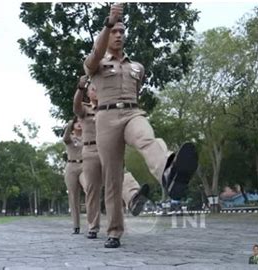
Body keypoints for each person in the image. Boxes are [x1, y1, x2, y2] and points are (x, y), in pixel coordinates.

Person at [83, 3, 198, 248]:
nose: (118, 35)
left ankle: (169, 171)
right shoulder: (96, 64)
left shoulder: (137, 67)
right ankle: (114, 231)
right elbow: (94, 55)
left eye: (122, 31)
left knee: (147, 138)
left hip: (132, 112)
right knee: (113, 178)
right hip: (105, 118)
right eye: (114, 31)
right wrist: (108, 21)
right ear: (106, 34)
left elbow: (137, 90)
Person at [73, 75, 150, 239]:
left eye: (99, 88)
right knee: (93, 190)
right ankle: (93, 226)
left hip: (109, 147)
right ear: (89, 94)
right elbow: (75, 106)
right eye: (93, 89)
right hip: (91, 151)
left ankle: (133, 198)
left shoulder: (112, 109)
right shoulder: (85, 110)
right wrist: (80, 88)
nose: (97, 91)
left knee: (120, 177)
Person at [63, 117, 87, 234]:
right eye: (76, 122)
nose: (79, 124)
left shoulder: (87, 136)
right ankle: (76, 226)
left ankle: (92, 223)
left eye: (80, 122)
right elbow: (65, 138)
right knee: (73, 197)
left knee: (89, 188)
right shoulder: (70, 138)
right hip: (71, 167)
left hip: (84, 166)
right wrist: (69, 124)